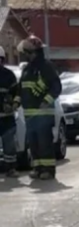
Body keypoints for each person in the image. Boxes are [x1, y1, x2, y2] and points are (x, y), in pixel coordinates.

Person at [16, 35, 61, 180]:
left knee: (44, 143)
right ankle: (37, 168)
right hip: (29, 115)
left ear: (34, 52)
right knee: (34, 143)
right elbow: (20, 89)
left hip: (43, 113)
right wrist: (16, 102)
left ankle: (48, 169)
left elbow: (56, 86)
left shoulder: (46, 67)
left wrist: (46, 100)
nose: (26, 55)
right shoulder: (27, 70)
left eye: (27, 52)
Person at [0, 46, 20, 178]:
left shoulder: (9, 75)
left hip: (7, 117)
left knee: (9, 145)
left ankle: (10, 169)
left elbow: (17, 93)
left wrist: (14, 104)